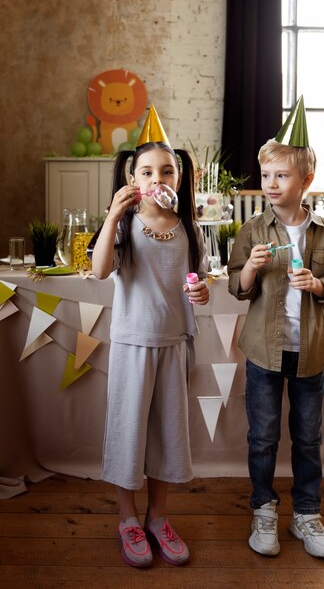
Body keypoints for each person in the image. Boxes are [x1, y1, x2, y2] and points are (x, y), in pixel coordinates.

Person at [227, 96, 324, 559]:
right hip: (263, 351)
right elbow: (237, 289)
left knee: (308, 438)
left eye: (281, 176)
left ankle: (306, 514)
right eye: (266, 176)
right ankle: (263, 508)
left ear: (306, 181)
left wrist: (317, 284)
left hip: (311, 352)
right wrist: (252, 270)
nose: (271, 184)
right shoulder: (253, 231)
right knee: (262, 437)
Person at [92, 105, 210, 568]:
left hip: (173, 343)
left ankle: (158, 518)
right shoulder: (124, 223)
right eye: (146, 170)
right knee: (129, 434)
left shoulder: (186, 227)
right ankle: (128, 520)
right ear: (132, 178)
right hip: (131, 344)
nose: (157, 176)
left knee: (165, 435)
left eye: (167, 169)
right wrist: (111, 217)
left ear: (178, 177)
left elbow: (191, 282)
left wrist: (198, 294)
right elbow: (101, 270)